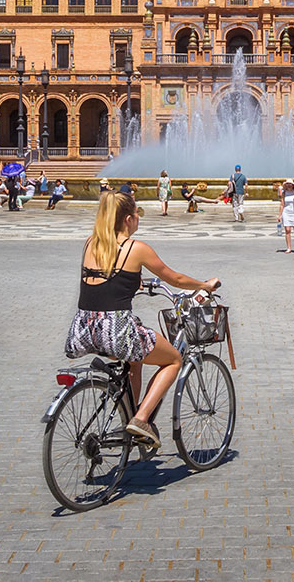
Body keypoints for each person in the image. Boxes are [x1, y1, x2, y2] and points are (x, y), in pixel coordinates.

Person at [64, 192, 220, 449]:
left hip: (85, 328)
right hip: (116, 331)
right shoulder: (136, 248)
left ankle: (128, 418)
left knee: (135, 363)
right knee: (173, 359)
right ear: (128, 219)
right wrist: (205, 285)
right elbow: (176, 280)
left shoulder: (91, 243)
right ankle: (141, 419)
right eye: (137, 215)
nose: (138, 219)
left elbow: (108, 281)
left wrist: (132, 284)